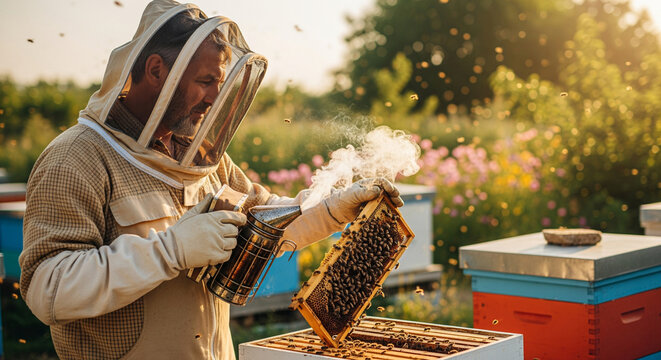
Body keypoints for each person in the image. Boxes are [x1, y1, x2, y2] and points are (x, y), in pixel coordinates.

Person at [18, 1, 403, 359]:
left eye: (220, 82)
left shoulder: (199, 156)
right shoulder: (77, 157)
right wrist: (169, 251)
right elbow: (48, 290)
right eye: (205, 81)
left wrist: (334, 208)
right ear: (156, 71)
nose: (215, 96)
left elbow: (265, 224)